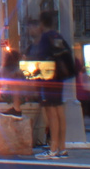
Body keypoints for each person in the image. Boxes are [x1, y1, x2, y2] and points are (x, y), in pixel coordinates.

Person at [26, 10, 75, 159]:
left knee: (51, 114)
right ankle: (62, 147)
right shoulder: (57, 36)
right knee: (60, 113)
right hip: (59, 79)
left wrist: (34, 79)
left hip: (48, 80)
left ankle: (53, 148)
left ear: (41, 24)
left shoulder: (45, 38)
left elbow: (41, 62)